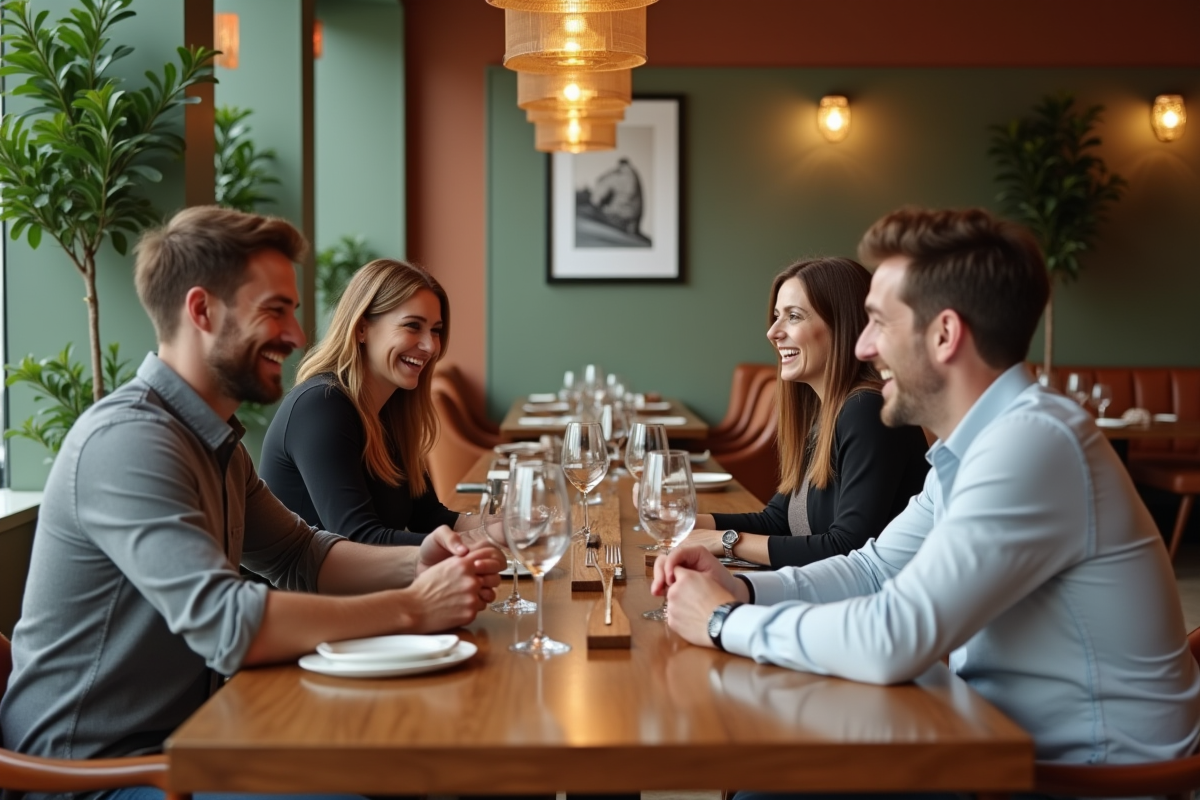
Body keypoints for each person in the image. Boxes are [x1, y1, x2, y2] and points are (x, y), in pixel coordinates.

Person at [653, 207, 1200, 781]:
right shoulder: (973, 448)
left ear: (944, 334)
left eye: (879, 323)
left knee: (769, 781)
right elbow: (872, 569)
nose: (863, 347)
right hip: (982, 736)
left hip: (1075, 780)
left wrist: (723, 622)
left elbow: (895, 638)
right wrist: (740, 586)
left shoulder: (1032, 444)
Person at [0, 207, 503, 795]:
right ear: (202, 311)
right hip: (96, 776)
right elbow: (229, 622)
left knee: (409, 764)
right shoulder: (127, 442)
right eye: (274, 310)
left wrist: (418, 560)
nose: (296, 335)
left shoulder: (214, 441)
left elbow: (301, 554)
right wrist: (413, 607)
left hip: (198, 737)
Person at [688, 258, 928, 568]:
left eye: (794, 316)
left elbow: (848, 548)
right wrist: (686, 522)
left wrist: (725, 542)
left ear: (842, 325)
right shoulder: (824, 411)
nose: (773, 332)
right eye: (777, 316)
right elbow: (778, 521)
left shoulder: (868, 411)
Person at [260, 259, 473, 546]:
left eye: (436, 330)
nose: (430, 346)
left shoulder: (390, 410)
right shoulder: (321, 405)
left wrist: (502, 527)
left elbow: (429, 517)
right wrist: (474, 543)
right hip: (309, 578)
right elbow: (359, 539)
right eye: (412, 326)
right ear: (361, 328)